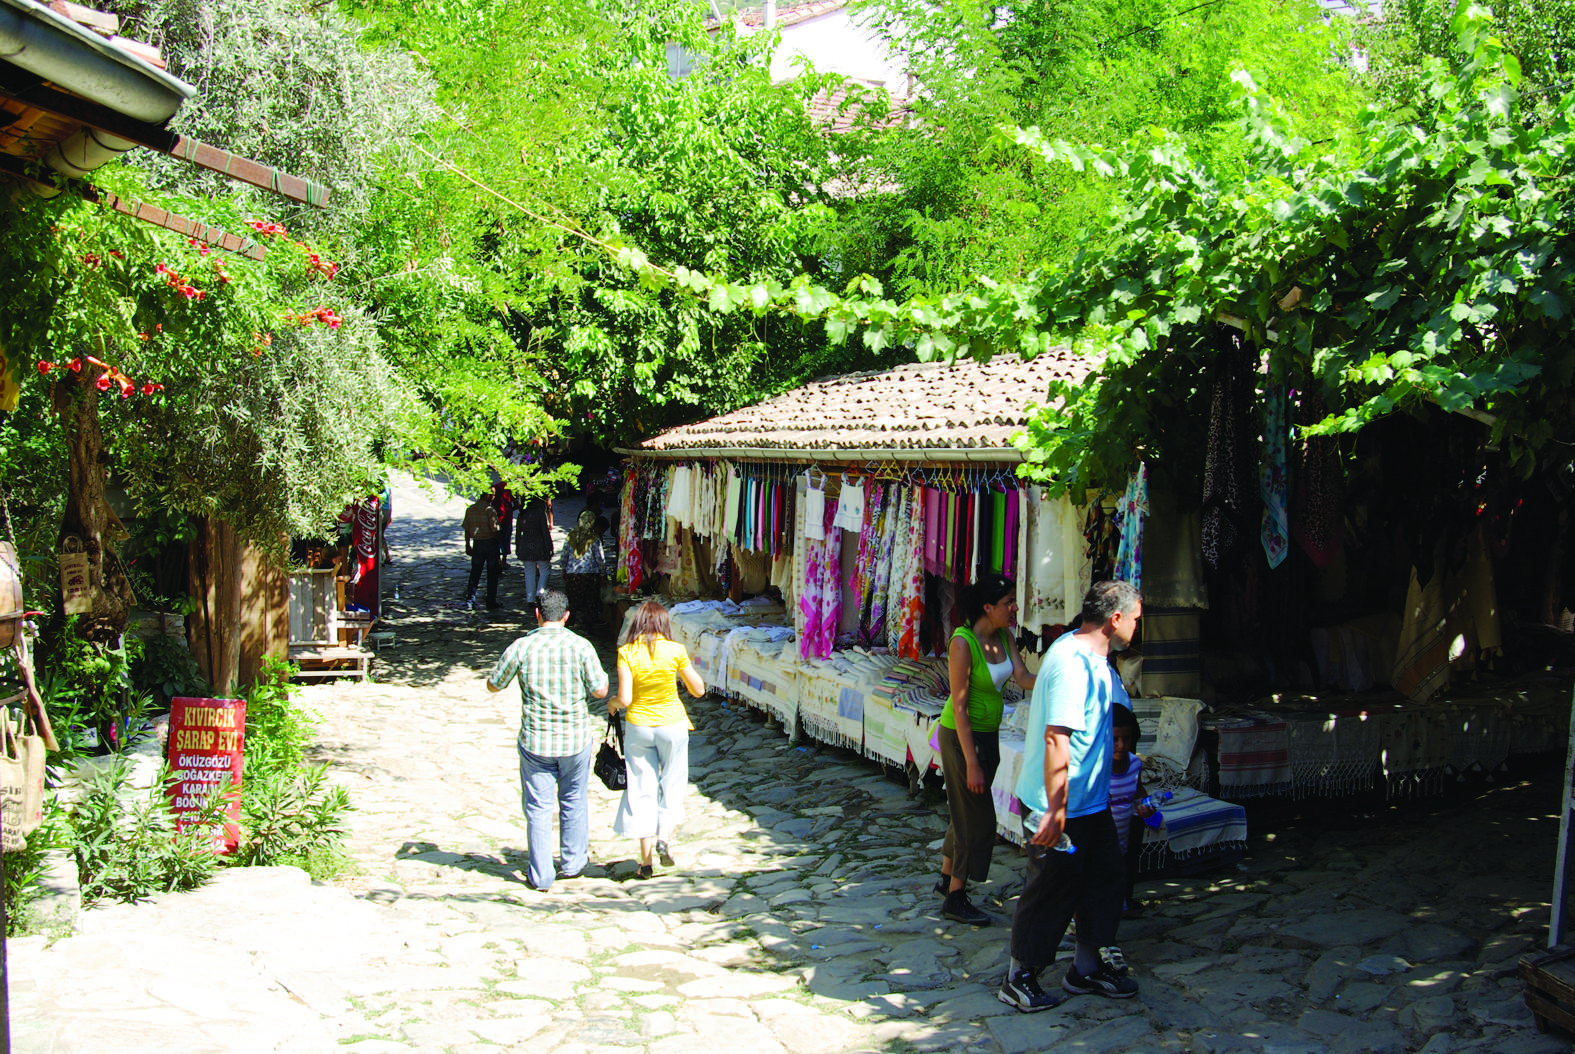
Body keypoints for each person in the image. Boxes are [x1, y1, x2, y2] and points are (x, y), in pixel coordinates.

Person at [999, 580, 1143, 1012]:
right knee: (1050, 890)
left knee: (1103, 880)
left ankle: (1087, 967)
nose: (1138, 627)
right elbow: (1055, 738)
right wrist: (1056, 811)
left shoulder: (1092, 655)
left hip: (1089, 801)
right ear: (1115, 619)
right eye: (1136, 618)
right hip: (1058, 804)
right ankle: (1019, 976)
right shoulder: (1072, 662)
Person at [485, 589, 609, 892]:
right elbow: (600, 690)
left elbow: (494, 684)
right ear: (566, 616)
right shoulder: (581, 647)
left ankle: (540, 875)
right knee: (573, 800)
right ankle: (573, 863)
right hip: (574, 738)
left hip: (536, 739)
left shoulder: (521, 647)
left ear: (537, 614)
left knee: (538, 807)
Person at [935, 573, 1036, 927]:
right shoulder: (963, 643)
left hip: (990, 734)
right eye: (1008, 602)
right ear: (988, 607)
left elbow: (1023, 677)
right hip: (962, 736)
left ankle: (947, 877)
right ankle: (956, 897)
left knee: (964, 809)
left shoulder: (1005, 637)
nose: (1014, 608)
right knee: (978, 820)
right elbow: (959, 706)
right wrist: (973, 762)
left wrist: (1054, 675)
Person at [609, 599, 704, 879]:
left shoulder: (627, 652)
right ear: (664, 623)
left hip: (639, 726)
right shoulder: (675, 650)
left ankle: (646, 861)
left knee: (641, 789)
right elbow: (698, 689)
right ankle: (665, 836)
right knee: (672, 783)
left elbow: (625, 698)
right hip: (672, 724)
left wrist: (612, 704)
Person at [1088, 703, 1158, 978]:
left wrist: (1148, 810)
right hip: (1098, 847)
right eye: (1114, 739)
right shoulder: (1097, 769)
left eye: (1126, 739)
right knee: (1099, 893)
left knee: (1113, 895)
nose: (1121, 745)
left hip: (1122, 843)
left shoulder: (1135, 765)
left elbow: (1141, 798)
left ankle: (1103, 937)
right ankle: (1105, 944)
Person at [559, 510, 607, 631]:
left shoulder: (571, 536)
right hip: (590, 574)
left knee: (572, 600)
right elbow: (600, 558)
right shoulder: (594, 538)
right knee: (591, 600)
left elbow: (564, 554)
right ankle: (588, 625)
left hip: (573, 574)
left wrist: (563, 568)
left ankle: (569, 622)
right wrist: (603, 573)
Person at [463, 492, 502, 609]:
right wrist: (499, 544)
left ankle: (470, 599)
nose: (494, 497)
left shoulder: (470, 509)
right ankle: (490, 601)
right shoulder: (490, 510)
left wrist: (467, 545)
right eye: (493, 494)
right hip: (490, 543)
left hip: (477, 543)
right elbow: (495, 530)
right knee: (492, 574)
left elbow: (467, 529)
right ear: (487, 496)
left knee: (475, 573)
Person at [515, 496, 555, 606]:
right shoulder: (540, 514)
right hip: (540, 545)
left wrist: (518, 547)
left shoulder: (522, 514)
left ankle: (530, 599)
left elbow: (518, 533)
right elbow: (545, 532)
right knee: (545, 569)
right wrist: (550, 547)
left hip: (525, 545)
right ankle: (540, 592)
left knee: (529, 572)